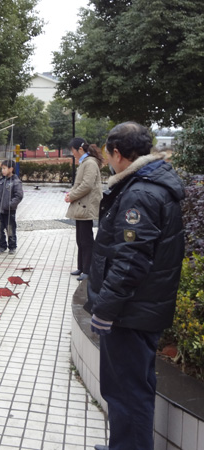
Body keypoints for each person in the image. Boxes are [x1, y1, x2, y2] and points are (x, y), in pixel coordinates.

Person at [85, 122, 184, 450]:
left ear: (117, 153)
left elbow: (130, 261)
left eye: (108, 154)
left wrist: (105, 309)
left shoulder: (140, 193)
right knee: (128, 387)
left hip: (130, 312)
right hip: (139, 308)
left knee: (127, 391)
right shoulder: (148, 183)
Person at [65, 138, 104, 281]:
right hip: (81, 204)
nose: (73, 154)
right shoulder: (85, 162)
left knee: (86, 240)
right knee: (80, 239)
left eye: (73, 151)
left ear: (80, 149)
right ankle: (81, 267)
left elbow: (87, 185)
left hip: (86, 205)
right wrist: (71, 194)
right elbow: (80, 184)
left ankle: (88, 270)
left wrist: (72, 196)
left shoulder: (90, 163)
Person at [0, 160, 24, 255]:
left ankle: (12, 246)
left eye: (4, 168)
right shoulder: (1, 181)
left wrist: (10, 205)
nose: (2, 170)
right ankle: (2, 245)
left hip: (9, 211)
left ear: (11, 169)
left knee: (10, 230)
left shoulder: (16, 182)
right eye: (2, 168)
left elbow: (19, 196)